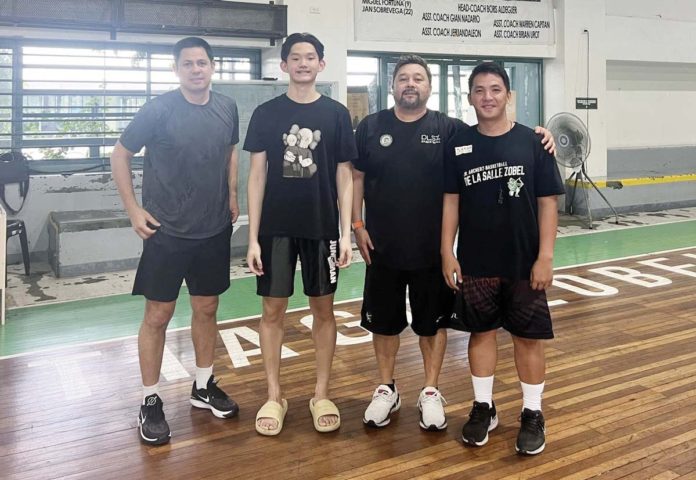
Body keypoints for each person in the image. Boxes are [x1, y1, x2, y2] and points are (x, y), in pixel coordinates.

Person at [353, 55, 556, 432]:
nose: (410, 84)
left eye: (418, 78)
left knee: (439, 326)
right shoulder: (374, 127)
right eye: (403, 78)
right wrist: (357, 223)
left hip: (450, 253)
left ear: (430, 87)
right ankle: (393, 389)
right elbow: (358, 176)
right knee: (393, 326)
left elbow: (539, 191)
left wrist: (543, 135)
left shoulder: (454, 131)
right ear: (393, 85)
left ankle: (438, 392)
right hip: (393, 249)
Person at [110, 36, 240, 446]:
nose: (196, 69)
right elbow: (120, 154)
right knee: (158, 315)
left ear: (212, 67)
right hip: (166, 233)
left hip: (213, 229)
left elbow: (230, 152)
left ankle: (203, 385)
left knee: (207, 307)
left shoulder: (227, 107)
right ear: (177, 69)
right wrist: (133, 210)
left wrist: (232, 194)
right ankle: (150, 399)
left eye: (202, 62)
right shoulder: (158, 109)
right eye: (188, 64)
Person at [441, 61, 565, 455]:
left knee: (528, 339)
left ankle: (532, 413)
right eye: (479, 90)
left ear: (508, 95)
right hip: (477, 260)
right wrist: (448, 250)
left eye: (495, 89)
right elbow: (451, 201)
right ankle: (484, 407)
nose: (487, 97)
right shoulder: (458, 144)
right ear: (470, 97)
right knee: (481, 334)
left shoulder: (533, 142)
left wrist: (545, 256)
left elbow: (548, 204)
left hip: (524, 260)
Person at [244, 32, 356, 436]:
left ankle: (320, 393)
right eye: (296, 57)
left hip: (322, 227)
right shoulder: (266, 114)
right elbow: (256, 176)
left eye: (311, 57)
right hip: (275, 230)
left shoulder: (337, 114)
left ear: (321, 65)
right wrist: (252, 237)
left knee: (323, 312)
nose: (304, 63)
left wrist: (345, 233)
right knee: (272, 312)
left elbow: (345, 174)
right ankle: (274, 396)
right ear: (284, 65)